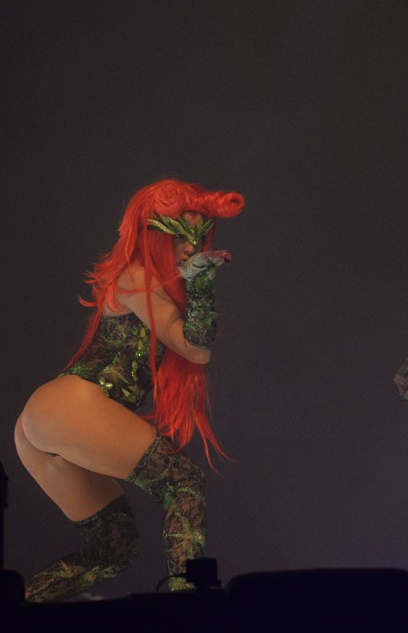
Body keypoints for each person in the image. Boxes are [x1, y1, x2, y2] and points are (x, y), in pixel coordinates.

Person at [14, 179, 243, 601]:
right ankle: (189, 604)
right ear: (154, 236)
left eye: (198, 238)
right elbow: (196, 350)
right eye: (179, 237)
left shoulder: (142, 282)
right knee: (183, 483)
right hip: (70, 406)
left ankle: (17, 607)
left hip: (42, 424)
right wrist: (201, 286)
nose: (190, 249)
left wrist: (195, 284)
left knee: (112, 552)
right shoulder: (137, 277)